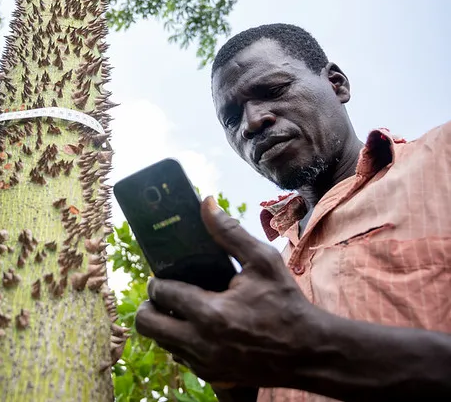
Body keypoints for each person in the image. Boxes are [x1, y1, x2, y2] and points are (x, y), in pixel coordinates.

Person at [135, 24, 451, 401]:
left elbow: (300, 352)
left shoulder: (442, 159)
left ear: (337, 84)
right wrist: (226, 371)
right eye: (232, 120)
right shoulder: (270, 276)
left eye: (273, 91)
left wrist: (310, 348)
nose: (252, 123)